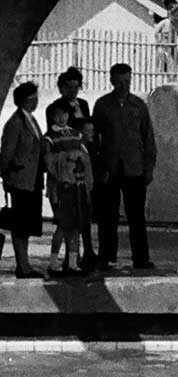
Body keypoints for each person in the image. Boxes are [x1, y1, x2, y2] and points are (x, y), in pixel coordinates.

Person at [92, 63, 157, 271]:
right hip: (109, 168)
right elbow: (94, 138)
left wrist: (149, 168)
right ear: (111, 81)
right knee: (107, 217)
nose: (123, 85)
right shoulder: (102, 105)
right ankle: (106, 256)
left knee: (136, 216)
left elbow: (148, 138)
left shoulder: (139, 105)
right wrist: (98, 167)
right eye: (119, 81)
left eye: (127, 81)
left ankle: (141, 258)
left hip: (134, 168)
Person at [0, 82, 46, 278]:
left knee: (26, 224)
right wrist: (7, 176)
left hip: (32, 179)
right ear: (27, 99)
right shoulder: (16, 123)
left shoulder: (30, 120)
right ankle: (23, 265)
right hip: (20, 180)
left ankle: (25, 263)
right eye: (34, 97)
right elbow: (7, 153)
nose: (36, 101)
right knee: (20, 224)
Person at [43, 101, 93, 277]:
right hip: (60, 186)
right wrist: (66, 159)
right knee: (62, 226)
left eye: (64, 114)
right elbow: (48, 161)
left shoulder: (75, 134)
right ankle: (53, 262)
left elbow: (84, 156)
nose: (62, 117)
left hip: (77, 185)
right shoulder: (49, 137)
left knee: (76, 226)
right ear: (52, 116)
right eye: (58, 114)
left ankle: (72, 263)